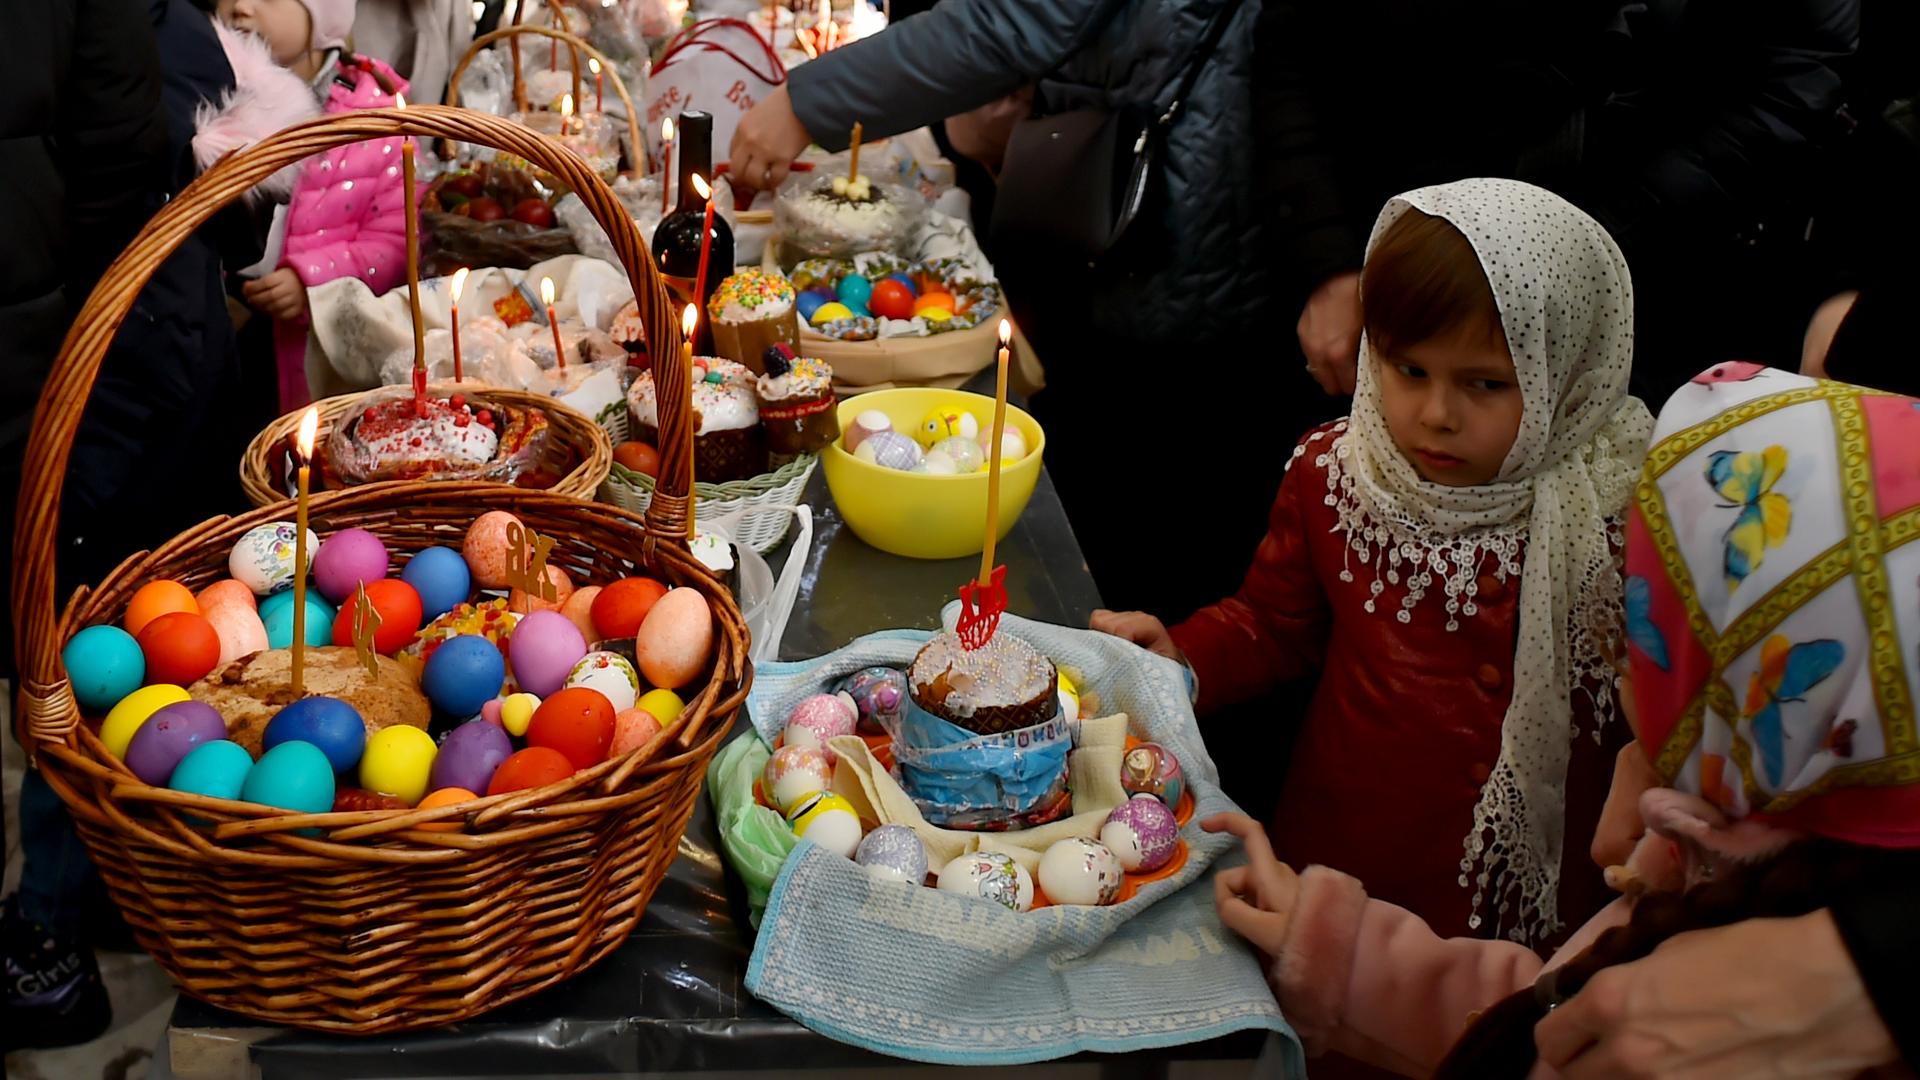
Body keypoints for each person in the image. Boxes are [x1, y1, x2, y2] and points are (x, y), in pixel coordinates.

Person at [1205, 363, 1920, 1078]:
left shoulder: (1763, 1011)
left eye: (1650, 624)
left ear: (1748, 691)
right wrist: (1336, 949)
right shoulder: (1728, 849)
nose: (1618, 658)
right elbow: (1555, 1014)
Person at [1094, 179, 1653, 958]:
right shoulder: (1339, 475)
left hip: (1559, 891)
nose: (1436, 414)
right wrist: (1182, 655)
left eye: (1485, 384)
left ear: (1570, 371)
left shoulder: (1629, 507)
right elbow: (1272, 625)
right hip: (1356, 859)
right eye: (1408, 370)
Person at [726, 0, 1278, 621]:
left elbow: (1013, 19)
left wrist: (805, 102)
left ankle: (1135, 671)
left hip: (1172, 235)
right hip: (1165, 226)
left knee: (1148, 534)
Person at [1269, 0, 1859, 405]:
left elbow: (1799, 78)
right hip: (1414, 277)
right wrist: (1331, 260)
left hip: (1662, 291)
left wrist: (1585, 243)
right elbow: (1293, 46)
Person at [1, 0, 170, 1050]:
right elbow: (125, 158)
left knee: (62, 647)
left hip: (42, 349)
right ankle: (51, 939)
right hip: (45, 361)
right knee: (60, 646)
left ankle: (60, 925)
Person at [227, 0, 416, 412]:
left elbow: (397, 241)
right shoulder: (211, 93)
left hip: (316, 347)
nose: (240, 7)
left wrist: (311, 279)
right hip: (229, 326)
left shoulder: (371, 117)